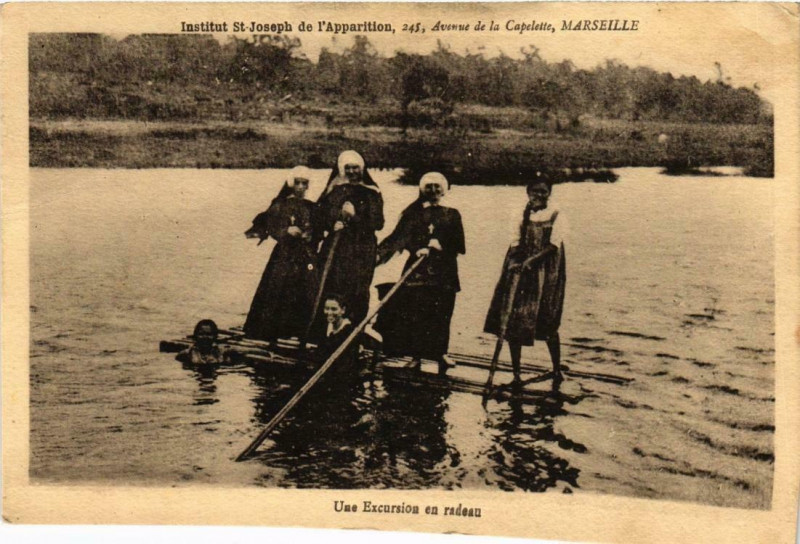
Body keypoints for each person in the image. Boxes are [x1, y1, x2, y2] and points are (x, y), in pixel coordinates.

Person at [375, 172, 465, 375]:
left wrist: (440, 245)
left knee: (442, 313)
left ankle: (440, 353)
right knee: (416, 314)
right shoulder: (413, 213)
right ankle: (416, 356)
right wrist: (417, 247)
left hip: (444, 272)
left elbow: (460, 245)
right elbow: (401, 238)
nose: (433, 191)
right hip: (417, 271)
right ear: (422, 189)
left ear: (443, 189)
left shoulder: (452, 213)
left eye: (437, 187)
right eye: (429, 187)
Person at [484, 172, 567, 391]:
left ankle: (557, 369)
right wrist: (516, 263)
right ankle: (516, 374)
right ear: (528, 192)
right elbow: (515, 242)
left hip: (547, 271)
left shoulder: (557, 214)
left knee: (547, 317)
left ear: (549, 193)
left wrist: (532, 260)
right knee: (513, 318)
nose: (539, 195)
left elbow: (553, 246)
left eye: (544, 191)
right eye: (535, 191)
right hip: (521, 268)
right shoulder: (520, 214)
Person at [243, 166, 319, 342]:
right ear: (291, 184)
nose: (300, 187)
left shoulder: (311, 206)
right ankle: (273, 330)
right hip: (284, 254)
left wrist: (310, 234)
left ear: (308, 186)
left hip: (306, 254)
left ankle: (300, 331)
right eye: (297, 183)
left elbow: (319, 227)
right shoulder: (280, 205)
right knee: (278, 288)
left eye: (304, 183)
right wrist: (286, 231)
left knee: (306, 289)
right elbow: (271, 227)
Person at [315, 151, 384, 329]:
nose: (352, 171)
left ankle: (353, 333)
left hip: (361, 249)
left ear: (362, 169)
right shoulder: (334, 190)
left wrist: (354, 217)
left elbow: (378, 223)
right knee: (331, 286)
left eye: (355, 168)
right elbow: (319, 215)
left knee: (357, 289)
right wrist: (332, 224)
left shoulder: (372, 192)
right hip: (336, 248)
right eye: (348, 168)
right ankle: (325, 333)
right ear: (341, 169)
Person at [313, 294, 362, 393]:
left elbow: (348, 364)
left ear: (342, 310)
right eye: (326, 309)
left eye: (334, 309)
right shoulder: (325, 329)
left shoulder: (350, 332)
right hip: (323, 374)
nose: (329, 312)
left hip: (341, 379)